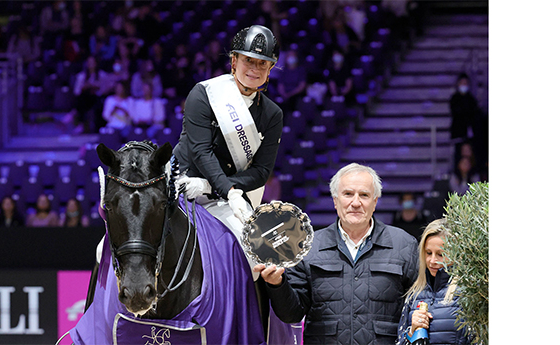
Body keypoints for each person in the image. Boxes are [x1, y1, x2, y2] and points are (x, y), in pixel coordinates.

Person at [254, 163, 419, 344]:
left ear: (375, 201)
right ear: (335, 200)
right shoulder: (308, 246)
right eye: (348, 194)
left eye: (364, 195)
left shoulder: (404, 244)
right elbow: (291, 314)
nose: (355, 203)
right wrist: (277, 284)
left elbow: (419, 305)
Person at [173, 24, 283, 279]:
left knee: (257, 255)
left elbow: (261, 171)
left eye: (262, 64)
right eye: (248, 60)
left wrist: (219, 189)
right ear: (234, 60)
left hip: (224, 199)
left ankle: (257, 319)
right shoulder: (204, 94)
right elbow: (200, 151)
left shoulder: (272, 115)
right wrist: (229, 189)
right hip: (182, 183)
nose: (254, 69)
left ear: (271, 69)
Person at [396, 219, 472, 344]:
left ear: (456, 254)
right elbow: (400, 342)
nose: (432, 261)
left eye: (440, 254)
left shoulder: (468, 293)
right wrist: (411, 332)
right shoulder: (414, 294)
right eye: (428, 253)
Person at [71, 55, 107, 133]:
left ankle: (99, 128)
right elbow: (76, 91)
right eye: (89, 62)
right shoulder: (81, 76)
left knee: (100, 103)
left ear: (96, 63)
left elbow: (105, 90)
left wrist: (95, 87)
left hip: (98, 98)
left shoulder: (102, 75)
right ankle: (81, 124)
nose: (91, 64)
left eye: (93, 62)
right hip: (85, 99)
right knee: (81, 100)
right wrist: (85, 87)